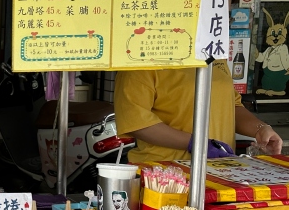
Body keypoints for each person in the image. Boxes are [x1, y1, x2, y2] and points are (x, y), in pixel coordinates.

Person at [114, 60, 282, 163]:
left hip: (220, 171)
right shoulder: (144, 58)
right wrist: (196, 144)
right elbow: (136, 121)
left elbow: (232, 106)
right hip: (165, 173)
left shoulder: (215, 55)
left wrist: (261, 129)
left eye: (225, 14)